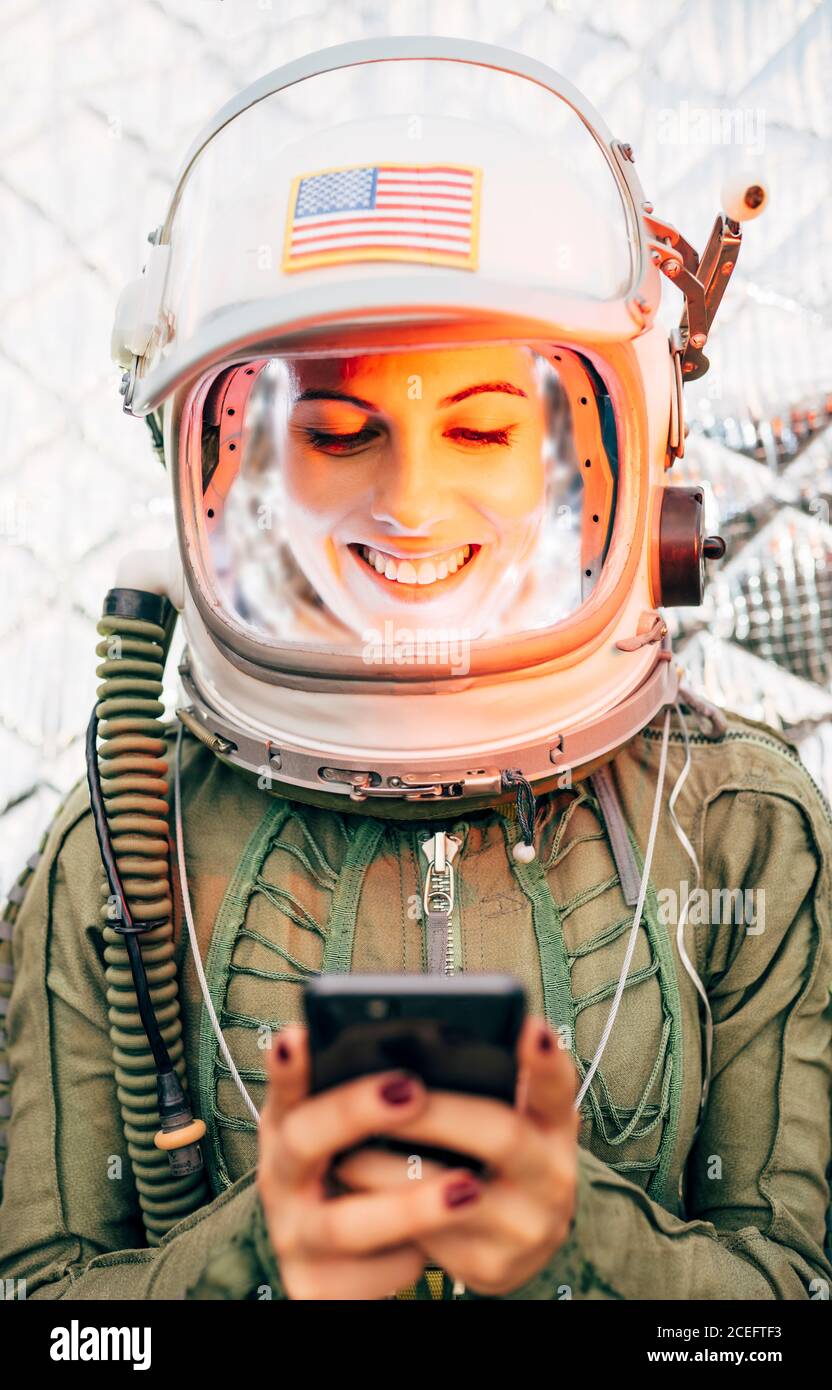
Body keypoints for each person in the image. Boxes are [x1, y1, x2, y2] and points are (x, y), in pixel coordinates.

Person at [0, 37, 829, 1302]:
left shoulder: (737, 827)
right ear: (229, 467)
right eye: (338, 429)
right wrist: (254, 1261)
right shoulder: (119, 842)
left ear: (619, 448)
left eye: (486, 425)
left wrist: (581, 1242)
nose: (411, 502)